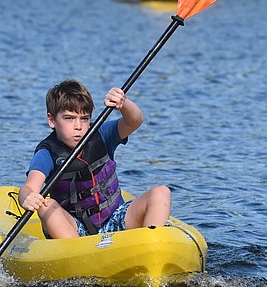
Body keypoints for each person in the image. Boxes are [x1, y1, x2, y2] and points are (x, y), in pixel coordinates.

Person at [19, 79, 171, 239]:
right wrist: (27, 198)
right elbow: (29, 187)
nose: (78, 126)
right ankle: (77, 255)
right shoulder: (47, 153)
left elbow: (135, 121)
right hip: (75, 229)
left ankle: (150, 245)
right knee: (46, 205)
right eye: (69, 118)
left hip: (116, 218)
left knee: (161, 192)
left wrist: (123, 103)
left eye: (84, 118)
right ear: (51, 120)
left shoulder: (101, 134)